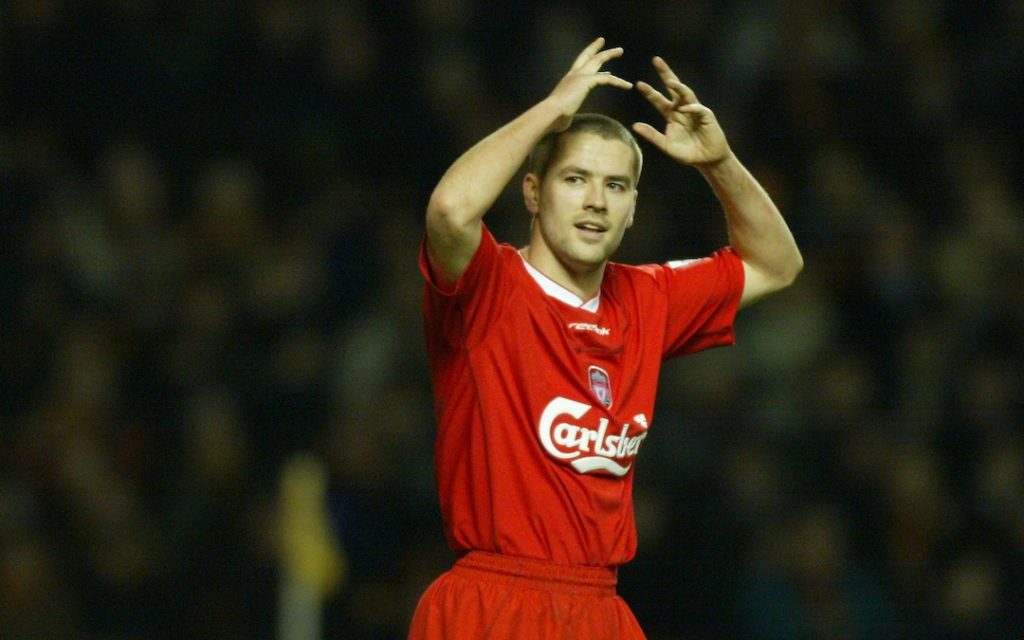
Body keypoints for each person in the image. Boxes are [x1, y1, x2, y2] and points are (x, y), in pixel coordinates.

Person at [411, 37, 803, 639]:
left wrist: (718, 162)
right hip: (493, 602)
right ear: (534, 193)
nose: (596, 201)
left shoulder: (648, 297)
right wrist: (551, 111)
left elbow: (778, 264)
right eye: (576, 179)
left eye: (616, 187)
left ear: (633, 209)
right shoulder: (490, 284)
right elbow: (449, 210)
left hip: (599, 608)